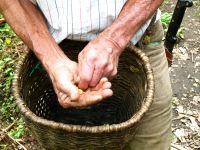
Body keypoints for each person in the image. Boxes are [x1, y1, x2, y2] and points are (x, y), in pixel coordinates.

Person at [0, 0, 172, 149]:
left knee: (151, 141)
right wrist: (54, 60)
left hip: (138, 39)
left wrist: (114, 39)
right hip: (48, 41)